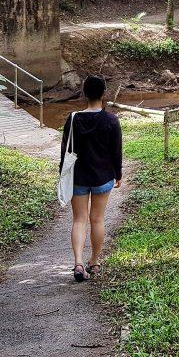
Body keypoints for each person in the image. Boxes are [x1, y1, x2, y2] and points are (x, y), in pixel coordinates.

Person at [59, 75, 123, 282]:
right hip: (103, 177)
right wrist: (118, 175)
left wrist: (63, 175)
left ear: (85, 93)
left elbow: (65, 151)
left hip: (78, 176)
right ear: (104, 93)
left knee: (79, 220)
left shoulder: (73, 118)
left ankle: (78, 263)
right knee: (97, 219)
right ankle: (94, 262)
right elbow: (116, 151)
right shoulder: (112, 120)